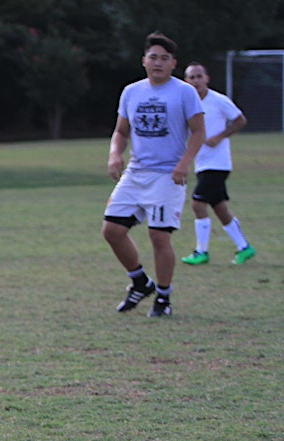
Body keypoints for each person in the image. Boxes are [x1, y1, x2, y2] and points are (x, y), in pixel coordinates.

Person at [104, 32, 205, 318]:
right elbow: (121, 131)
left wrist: (185, 163)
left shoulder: (184, 92)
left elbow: (199, 132)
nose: (158, 63)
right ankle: (139, 281)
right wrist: (115, 154)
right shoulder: (131, 92)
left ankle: (163, 296)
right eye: (153, 57)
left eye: (164, 59)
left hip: (168, 176)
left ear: (173, 64)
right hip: (136, 172)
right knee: (112, 231)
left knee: (158, 237)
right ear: (144, 61)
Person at [180, 62, 256, 265]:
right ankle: (244, 247)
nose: (196, 81)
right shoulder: (188, 103)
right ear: (186, 81)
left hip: (218, 163)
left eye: (199, 76)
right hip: (202, 163)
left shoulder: (219, 100)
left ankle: (201, 252)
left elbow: (240, 120)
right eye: (192, 77)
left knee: (197, 204)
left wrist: (220, 136)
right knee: (220, 209)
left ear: (206, 78)